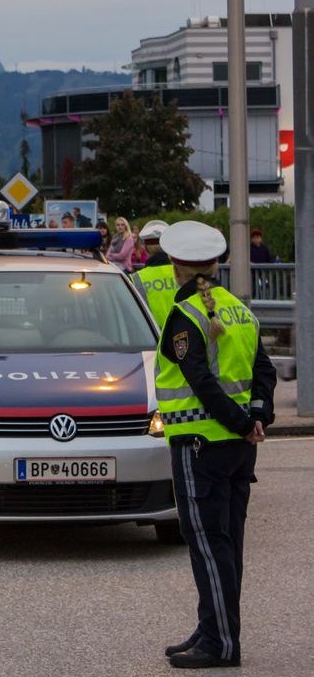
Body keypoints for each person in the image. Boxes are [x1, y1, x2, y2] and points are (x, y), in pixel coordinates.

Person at [156, 220, 276, 670]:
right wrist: (259, 417)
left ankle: (221, 642)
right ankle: (213, 627)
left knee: (207, 542)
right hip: (239, 448)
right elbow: (264, 372)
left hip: (199, 445)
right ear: (216, 264)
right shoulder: (239, 310)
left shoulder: (184, 315)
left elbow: (201, 382)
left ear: (175, 266)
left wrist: (243, 421)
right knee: (227, 543)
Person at [131, 220, 177, 328]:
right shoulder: (183, 274)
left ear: (146, 248)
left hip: (150, 340)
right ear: (168, 247)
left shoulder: (135, 279)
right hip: (183, 339)